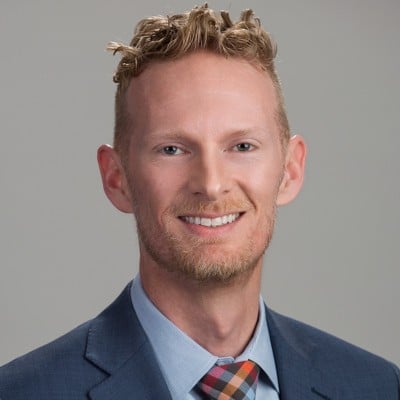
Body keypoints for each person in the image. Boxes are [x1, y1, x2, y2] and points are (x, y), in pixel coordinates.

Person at [0, 4, 399, 400]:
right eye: (172, 149)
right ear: (116, 178)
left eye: (242, 146)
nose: (211, 184)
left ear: (291, 170)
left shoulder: (378, 387)